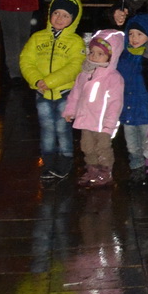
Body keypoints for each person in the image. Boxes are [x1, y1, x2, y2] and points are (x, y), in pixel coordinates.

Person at [20, 0, 85, 180]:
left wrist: (50, 81)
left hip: (65, 92)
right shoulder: (37, 38)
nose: (59, 18)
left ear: (73, 19)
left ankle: (65, 161)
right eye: (56, 13)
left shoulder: (75, 42)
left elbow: (75, 66)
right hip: (42, 93)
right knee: (47, 128)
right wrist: (36, 80)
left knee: (62, 128)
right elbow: (26, 60)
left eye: (66, 15)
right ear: (50, 14)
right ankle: (48, 162)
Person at [63, 30, 125, 189]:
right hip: (86, 120)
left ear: (111, 56)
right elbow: (75, 94)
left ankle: (105, 172)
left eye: (100, 54)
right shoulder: (84, 74)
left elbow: (115, 103)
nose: (94, 56)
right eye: (92, 52)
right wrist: (70, 110)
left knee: (102, 147)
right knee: (87, 146)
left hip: (102, 123)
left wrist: (110, 124)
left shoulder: (113, 77)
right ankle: (92, 170)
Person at [118, 13, 148, 184]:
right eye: (131, 34)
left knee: (147, 142)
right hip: (128, 109)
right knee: (131, 144)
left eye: (139, 34)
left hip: (145, 110)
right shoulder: (124, 57)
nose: (134, 38)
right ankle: (137, 167)